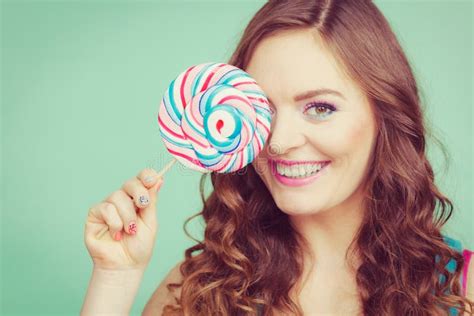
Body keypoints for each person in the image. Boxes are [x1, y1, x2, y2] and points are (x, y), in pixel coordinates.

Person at [81, 1, 474, 315]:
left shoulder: (463, 290)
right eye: (264, 111)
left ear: (384, 117)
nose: (278, 142)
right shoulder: (198, 291)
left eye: (320, 108)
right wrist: (115, 278)